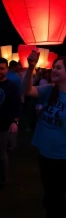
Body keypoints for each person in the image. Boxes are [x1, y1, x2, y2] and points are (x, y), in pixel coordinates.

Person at [22, 50, 66, 218]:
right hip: (45, 154)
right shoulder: (49, 90)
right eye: (54, 67)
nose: (54, 70)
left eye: (59, 68)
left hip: (65, 158)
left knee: (52, 200)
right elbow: (27, 90)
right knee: (51, 201)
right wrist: (30, 68)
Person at [0, 57, 21, 190]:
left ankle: (4, 179)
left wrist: (15, 121)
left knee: (1, 152)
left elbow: (16, 105)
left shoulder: (11, 86)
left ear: (7, 69)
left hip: (3, 123)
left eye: (2, 68)